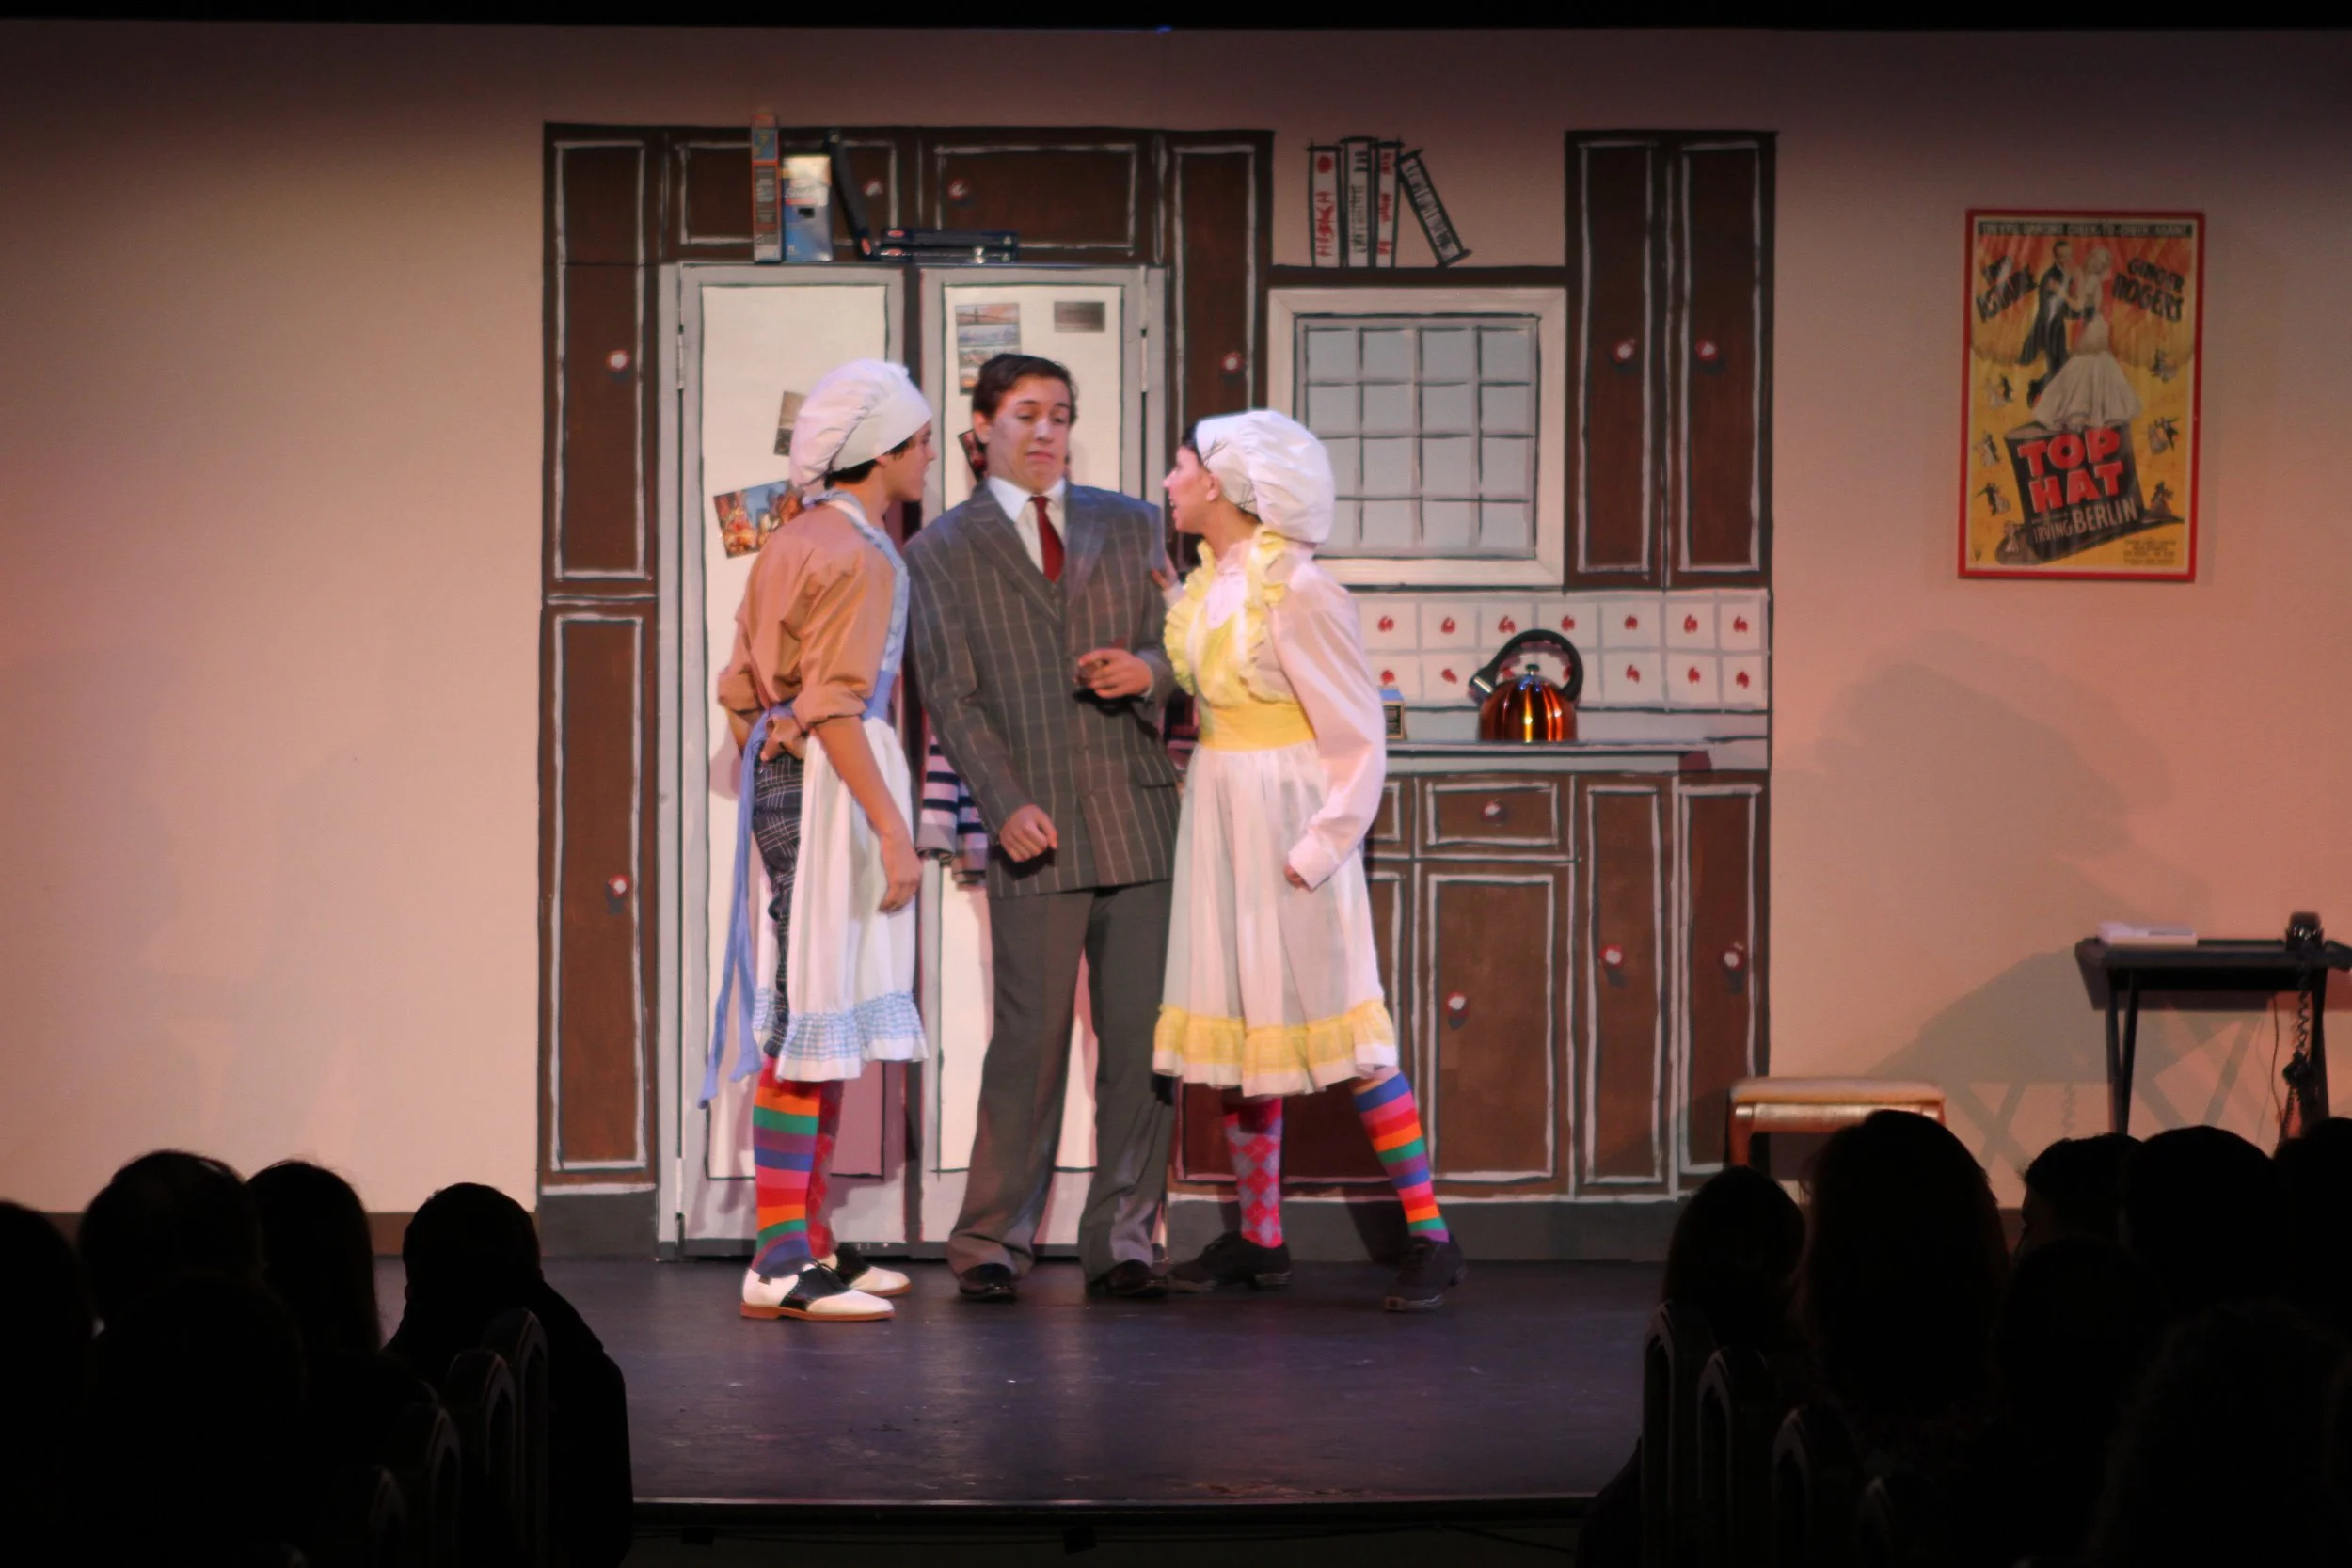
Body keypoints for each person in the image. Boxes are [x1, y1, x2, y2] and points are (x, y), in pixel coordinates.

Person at [1152, 409, 1463, 1311]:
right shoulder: (1208, 586)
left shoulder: (1302, 592)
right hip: (1220, 808)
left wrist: (1323, 842)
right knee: (1245, 1022)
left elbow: (1359, 734)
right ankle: (1260, 1236)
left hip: (1289, 815)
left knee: (1344, 1023)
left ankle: (1432, 1234)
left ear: (1221, 484)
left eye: (1181, 467)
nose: (1170, 481)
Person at [905, 353, 1182, 1305]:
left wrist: (1148, 670)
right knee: (1029, 1036)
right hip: (1035, 821)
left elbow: (1180, 644)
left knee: (1143, 1039)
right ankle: (990, 1236)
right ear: (980, 426)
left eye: (1060, 414)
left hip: (1139, 811)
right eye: (1025, 413)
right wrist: (1003, 798)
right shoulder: (938, 549)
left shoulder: (1131, 520)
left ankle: (1126, 1240)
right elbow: (951, 693)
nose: (1045, 432)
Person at [709, 358, 934, 1323]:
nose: (930, 455)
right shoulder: (857, 552)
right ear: (880, 453)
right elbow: (836, 701)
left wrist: (770, 761)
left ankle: (808, 1241)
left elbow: (737, 687)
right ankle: (775, 1260)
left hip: (803, 770)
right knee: (810, 1004)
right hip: (835, 777)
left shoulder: (796, 538)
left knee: (824, 1001)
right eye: (920, 441)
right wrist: (891, 829)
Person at [387, 1182, 633, 1568]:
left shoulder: (391, 1391)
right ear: (535, 1274)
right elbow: (609, 1536)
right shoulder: (586, 1367)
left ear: (414, 1286)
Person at [2028, 246, 2142, 432]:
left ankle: (2079, 412)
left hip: (2093, 328)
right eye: (2094, 259)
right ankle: (2093, 412)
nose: (2093, 263)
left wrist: (2060, 291)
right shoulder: (2094, 279)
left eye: (2098, 261)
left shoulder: (2090, 280)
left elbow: (2079, 306)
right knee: (2093, 366)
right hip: (2096, 326)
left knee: (2083, 366)